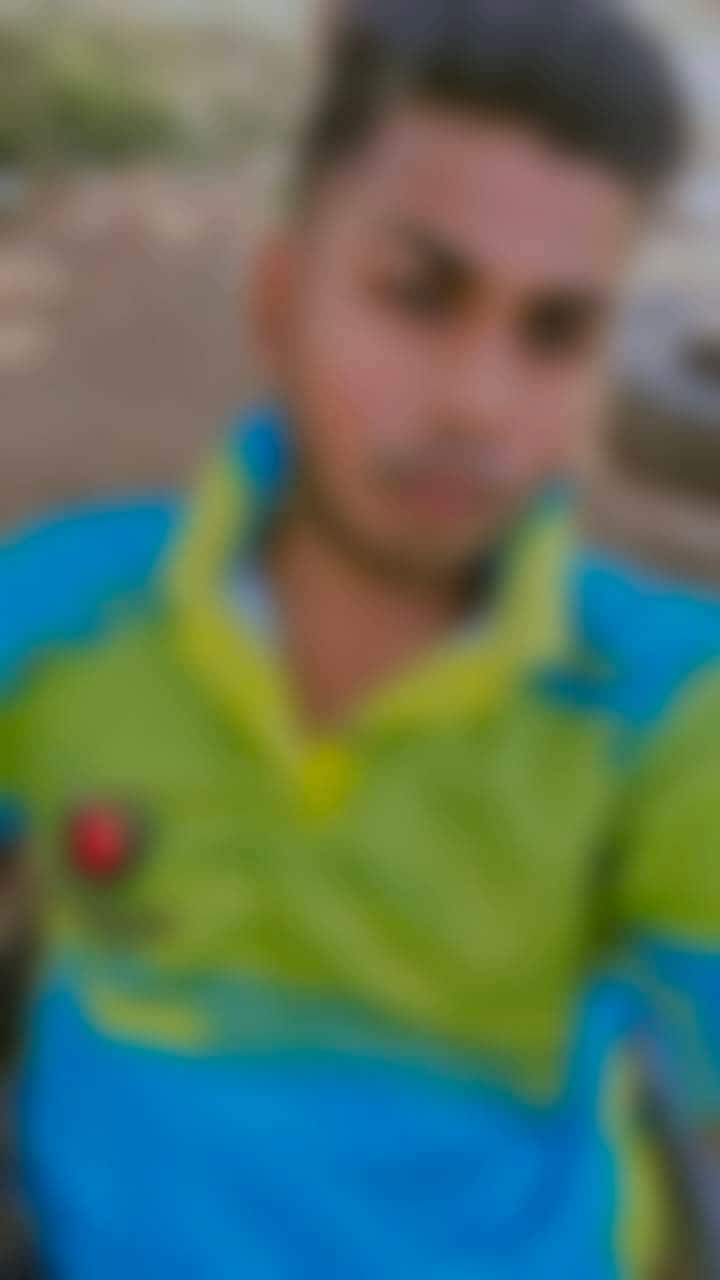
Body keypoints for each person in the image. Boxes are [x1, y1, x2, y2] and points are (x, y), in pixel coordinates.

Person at [1, 1, 719, 1275]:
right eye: (416, 297)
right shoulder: (52, 616)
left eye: (556, 331)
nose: (478, 404)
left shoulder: (667, 708)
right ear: (280, 299)